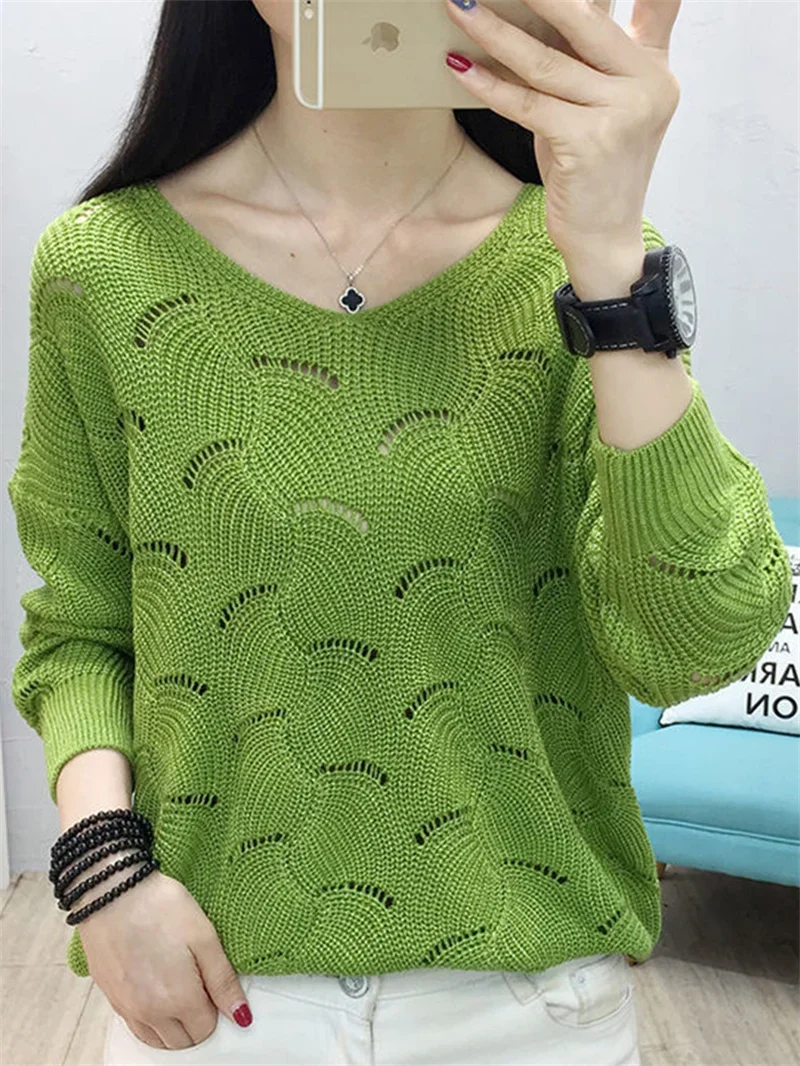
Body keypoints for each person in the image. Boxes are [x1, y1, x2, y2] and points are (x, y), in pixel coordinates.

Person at [7, 1, 791, 1064]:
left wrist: (610, 261)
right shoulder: (104, 267)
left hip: (532, 1009)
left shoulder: (585, 268)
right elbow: (81, 629)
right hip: (213, 1000)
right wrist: (105, 880)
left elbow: (694, 647)